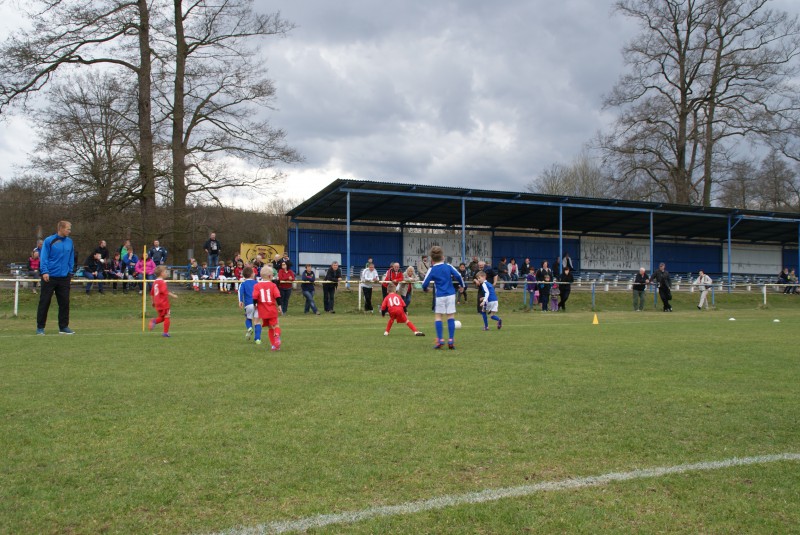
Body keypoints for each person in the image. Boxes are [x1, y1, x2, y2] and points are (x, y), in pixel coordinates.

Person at [421, 246, 465, 350]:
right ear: (443, 257)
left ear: (432, 259)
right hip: (450, 294)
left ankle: (440, 340)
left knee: (438, 317)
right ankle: (451, 340)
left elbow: (424, 284)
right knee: (450, 316)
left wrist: (426, 289)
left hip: (440, 296)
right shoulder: (448, 266)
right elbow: (458, 276)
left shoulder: (432, 269)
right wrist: (462, 286)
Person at [36, 220, 76, 335]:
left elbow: (71, 257)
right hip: (50, 277)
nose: (70, 231)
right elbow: (44, 257)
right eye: (68, 229)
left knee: (65, 303)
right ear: (61, 228)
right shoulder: (49, 240)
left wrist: (70, 272)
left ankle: (63, 327)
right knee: (44, 302)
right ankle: (40, 327)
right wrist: (44, 272)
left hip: (64, 277)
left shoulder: (70, 242)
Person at [253, 265, 283, 351]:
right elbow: (277, 296)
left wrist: (255, 305)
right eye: (272, 275)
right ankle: (277, 335)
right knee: (276, 325)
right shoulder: (273, 285)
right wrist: (279, 305)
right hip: (272, 309)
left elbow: (254, 297)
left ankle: (274, 345)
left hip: (263, 311)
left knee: (270, 327)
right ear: (270, 276)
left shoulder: (257, 285)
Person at [149, 265, 178, 338]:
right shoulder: (162, 282)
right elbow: (165, 292)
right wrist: (173, 295)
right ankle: (165, 333)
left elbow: (152, 293)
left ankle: (154, 321)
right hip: (163, 302)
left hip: (157, 303)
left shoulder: (155, 282)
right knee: (167, 316)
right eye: (165, 272)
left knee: (162, 317)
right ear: (162, 273)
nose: (166, 273)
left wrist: (153, 302)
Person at [238, 266, 261, 343]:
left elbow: (240, 292)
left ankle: (250, 328)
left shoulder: (243, 284)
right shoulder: (257, 283)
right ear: (252, 274)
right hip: (257, 304)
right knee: (257, 321)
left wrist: (240, 301)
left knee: (248, 318)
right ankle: (257, 339)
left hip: (248, 304)